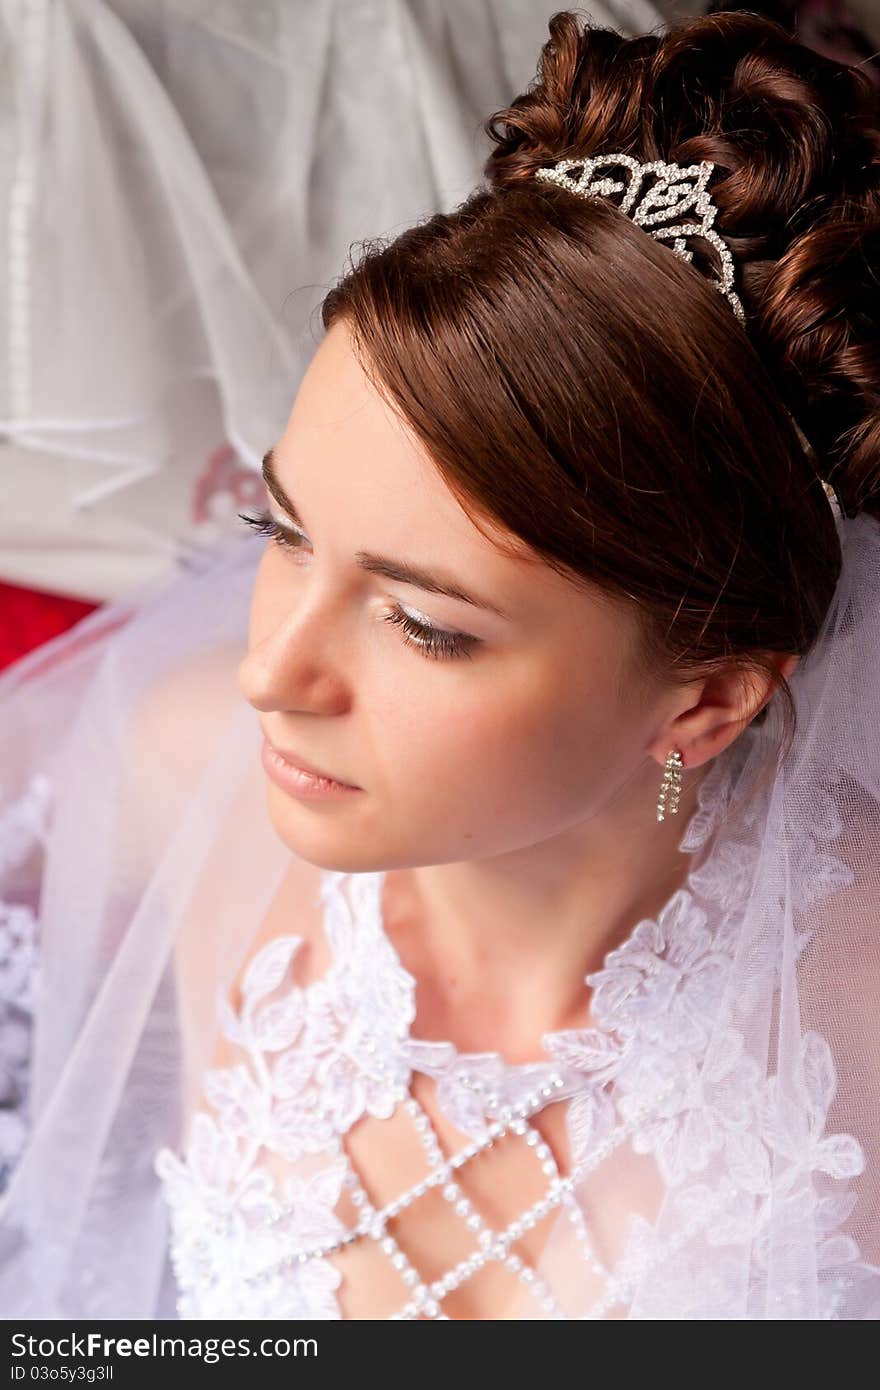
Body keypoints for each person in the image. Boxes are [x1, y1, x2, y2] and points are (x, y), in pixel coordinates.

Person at [1, 7, 879, 1319]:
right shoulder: (181, 760)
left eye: (425, 624)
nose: (273, 673)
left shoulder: (852, 996)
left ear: (703, 701)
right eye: (282, 533)